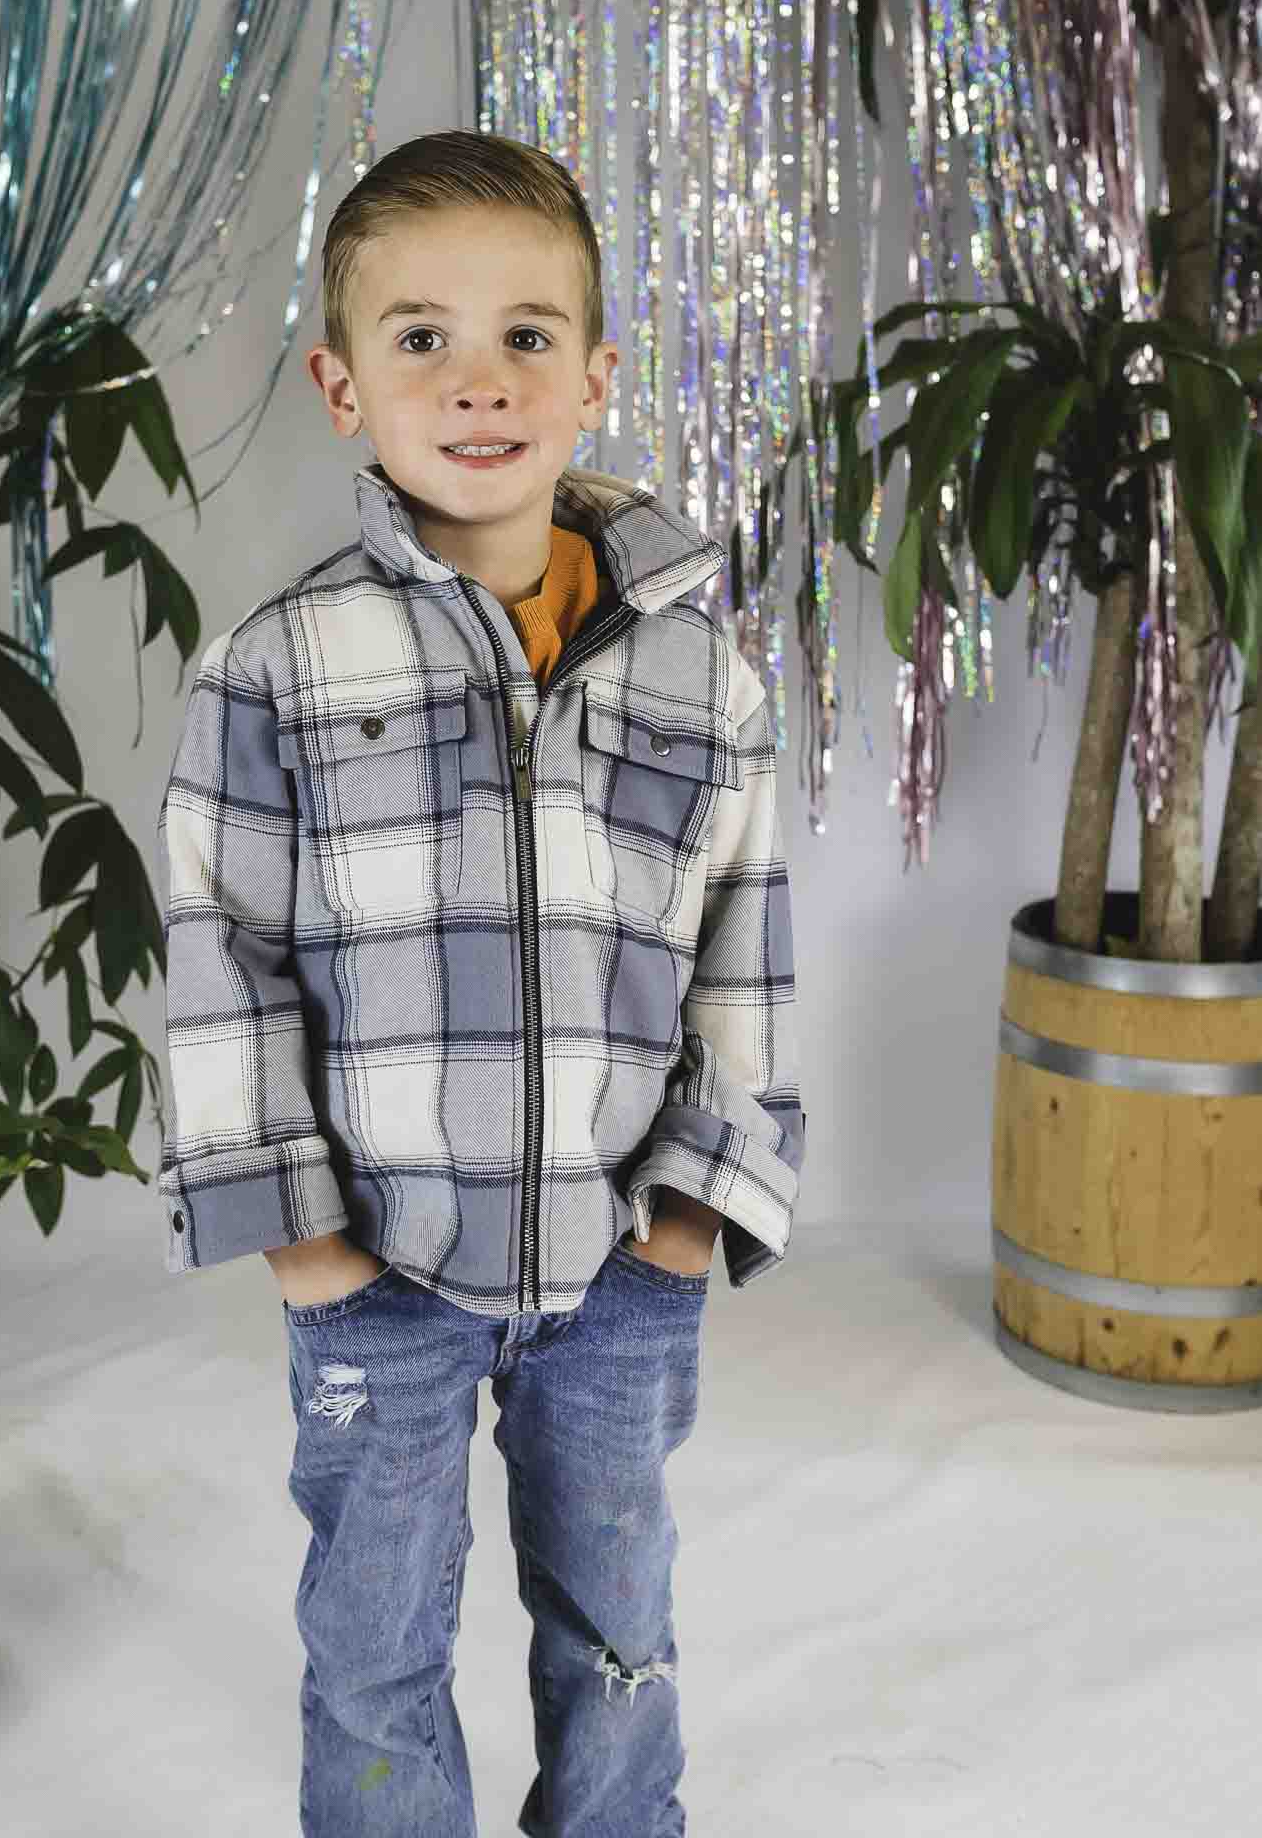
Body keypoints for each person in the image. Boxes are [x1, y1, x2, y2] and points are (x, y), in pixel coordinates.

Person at [155, 127, 803, 1837]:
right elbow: (221, 954)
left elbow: (742, 951)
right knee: (374, 1641)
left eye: (525, 334)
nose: (477, 379)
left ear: (593, 376)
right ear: (342, 386)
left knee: (618, 1627)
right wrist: (302, 1242)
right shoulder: (275, 669)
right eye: (420, 336)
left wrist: (690, 1220)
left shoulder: (702, 680)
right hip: (376, 1264)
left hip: (618, 1263)